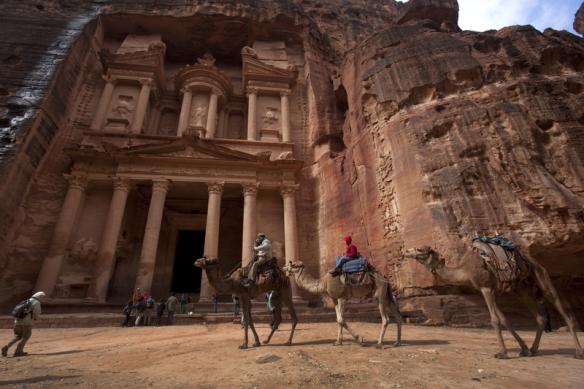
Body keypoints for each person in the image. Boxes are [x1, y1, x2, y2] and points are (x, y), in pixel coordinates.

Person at [2, 291, 45, 357]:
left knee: (17, 336)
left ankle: (6, 346)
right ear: (40, 297)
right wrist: (37, 319)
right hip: (27, 322)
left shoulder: (26, 300)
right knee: (26, 336)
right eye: (43, 297)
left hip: (17, 321)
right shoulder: (37, 302)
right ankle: (18, 351)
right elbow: (37, 313)